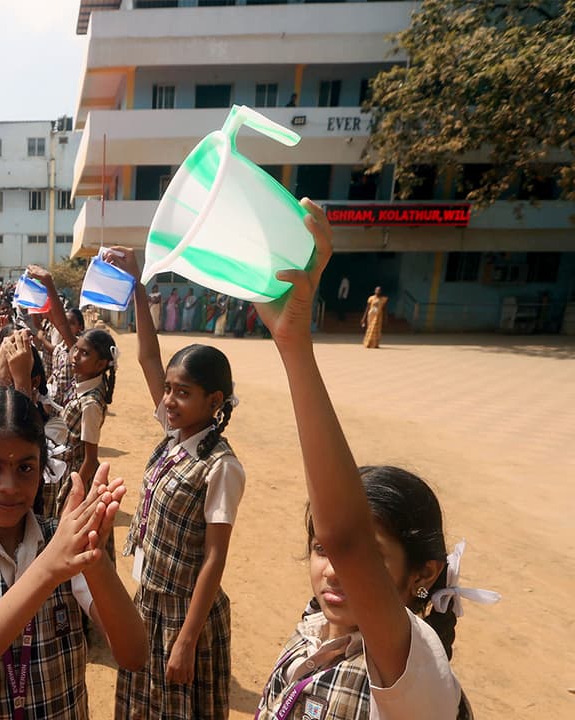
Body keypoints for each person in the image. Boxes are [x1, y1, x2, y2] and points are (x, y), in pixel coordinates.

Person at [253, 200, 497, 718]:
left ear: (421, 576)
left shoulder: (415, 673)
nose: (334, 569)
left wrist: (294, 345)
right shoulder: (320, 630)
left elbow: (346, 535)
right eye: (318, 549)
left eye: (370, 558)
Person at [0, 387, 148, 718]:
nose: (9, 485)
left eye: (25, 468)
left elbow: (133, 654)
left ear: (43, 467)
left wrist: (94, 557)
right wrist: (48, 569)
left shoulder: (64, 544)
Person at [103, 246, 245, 720]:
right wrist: (139, 287)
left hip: (187, 616)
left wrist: (186, 639)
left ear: (215, 400)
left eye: (183, 393)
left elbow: (215, 557)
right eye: (168, 389)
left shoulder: (220, 466)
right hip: (149, 604)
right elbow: (147, 357)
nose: (169, 400)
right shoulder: (173, 435)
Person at [27, 265, 117, 519]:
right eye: (75, 349)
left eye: (84, 353)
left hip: (75, 477)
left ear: (101, 364)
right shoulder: (84, 379)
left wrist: (71, 493)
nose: (75, 355)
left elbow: (90, 457)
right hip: (65, 468)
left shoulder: (91, 402)